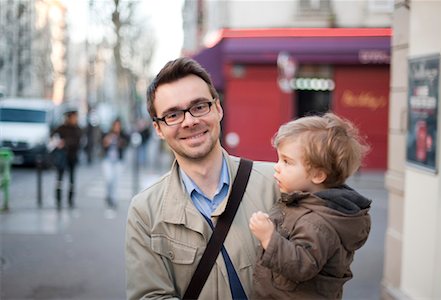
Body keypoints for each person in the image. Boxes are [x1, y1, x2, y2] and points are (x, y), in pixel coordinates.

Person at [125, 57, 279, 300]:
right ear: (158, 128)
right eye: (173, 114)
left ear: (218, 108)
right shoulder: (145, 211)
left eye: (199, 107)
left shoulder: (276, 183)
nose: (189, 121)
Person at [249, 113, 372, 299]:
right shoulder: (306, 203)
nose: (277, 167)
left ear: (318, 175)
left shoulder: (317, 223)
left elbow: (301, 265)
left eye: (287, 162)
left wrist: (268, 237)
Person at [51, 109, 82, 209]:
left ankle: (70, 200)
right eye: (73, 117)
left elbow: (77, 142)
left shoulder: (77, 129)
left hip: (72, 157)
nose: (75, 119)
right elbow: (53, 134)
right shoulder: (62, 128)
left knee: (72, 180)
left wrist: (65, 142)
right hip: (62, 158)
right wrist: (57, 142)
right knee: (59, 179)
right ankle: (58, 200)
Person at [101, 118, 129, 211]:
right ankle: (108, 195)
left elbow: (126, 144)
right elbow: (102, 144)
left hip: (118, 161)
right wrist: (107, 141)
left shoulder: (123, 135)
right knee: (108, 179)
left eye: (118, 126)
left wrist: (120, 141)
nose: (117, 127)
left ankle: (114, 200)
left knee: (116, 181)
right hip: (107, 160)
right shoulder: (107, 134)